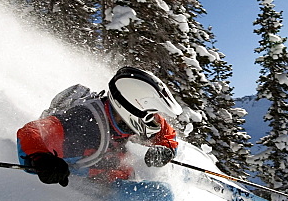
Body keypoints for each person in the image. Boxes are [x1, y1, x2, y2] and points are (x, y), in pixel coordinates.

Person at [16, 66, 182, 190]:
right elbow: (31, 132)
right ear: (131, 107)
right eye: (151, 114)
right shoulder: (82, 124)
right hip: (83, 177)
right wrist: (41, 158)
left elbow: (165, 133)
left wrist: (165, 149)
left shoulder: (128, 119)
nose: (155, 119)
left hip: (106, 164)